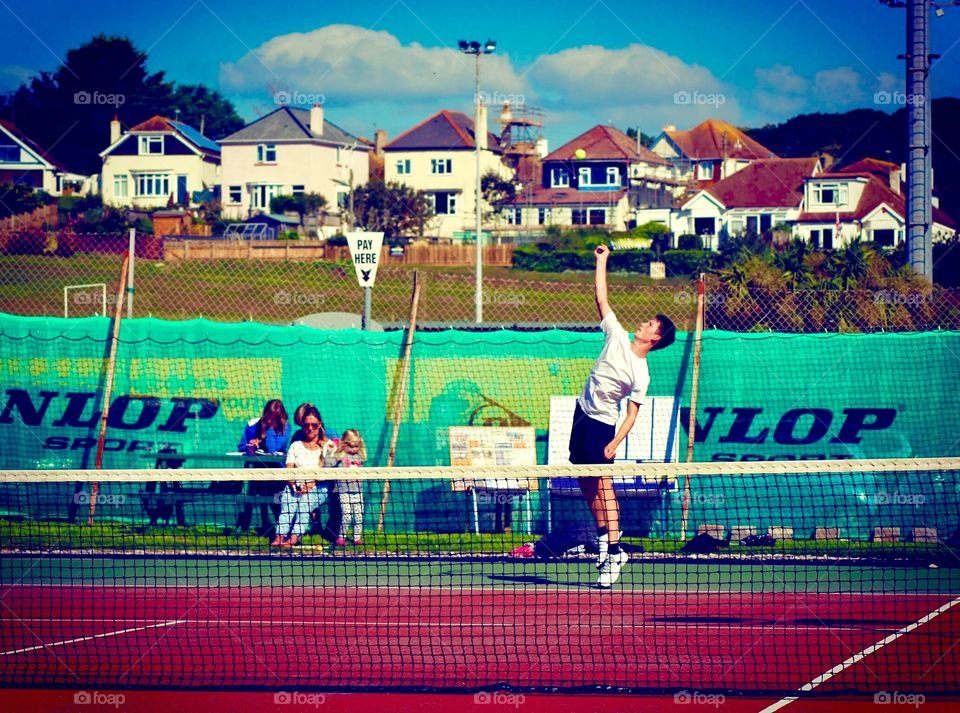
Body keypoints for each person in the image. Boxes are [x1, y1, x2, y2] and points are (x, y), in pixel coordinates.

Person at [571, 244, 676, 588]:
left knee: (604, 485)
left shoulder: (642, 373)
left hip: (603, 425)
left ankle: (614, 549)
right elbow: (601, 299)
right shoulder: (615, 334)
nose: (643, 324)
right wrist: (601, 261)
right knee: (585, 483)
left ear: (655, 338)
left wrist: (615, 442)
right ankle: (604, 538)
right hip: (581, 414)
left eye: (649, 324)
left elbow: (631, 414)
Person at [275, 406, 335, 547]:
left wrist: (308, 486)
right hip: (294, 485)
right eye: (306, 425)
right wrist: (294, 485)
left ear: (319, 425)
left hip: (318, 487)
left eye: (314, 425)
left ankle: (294, 537)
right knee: (287, 505)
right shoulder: (296, 445)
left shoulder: (328, 446)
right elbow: (289, 469)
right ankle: (279, 537)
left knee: (304, 505)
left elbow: (326, 474)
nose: (310, 428)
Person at [236, 399, 290, 536]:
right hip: (255, 469)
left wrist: (267, 432)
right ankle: (246, 527)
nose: (271, 422)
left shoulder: (285, 427)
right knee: (252, 497)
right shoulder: (252, 424)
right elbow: (241, 446)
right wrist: (251, 445)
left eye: (274, 420)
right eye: (269, 419)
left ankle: (281, 528)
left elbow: (274, 449)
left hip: (276, 471)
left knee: (276, 501)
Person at [332, 429, 367, 546]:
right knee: (347, 515)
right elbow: (329, 463)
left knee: (359, 516)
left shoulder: (360, 457)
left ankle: (357, 538)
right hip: (344, 491)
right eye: (351, 446)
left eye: (357, 446)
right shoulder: (340, 456)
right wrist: (333, 447)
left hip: (357, 491)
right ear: (345, 444)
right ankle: (341, 537)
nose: (354, 449)